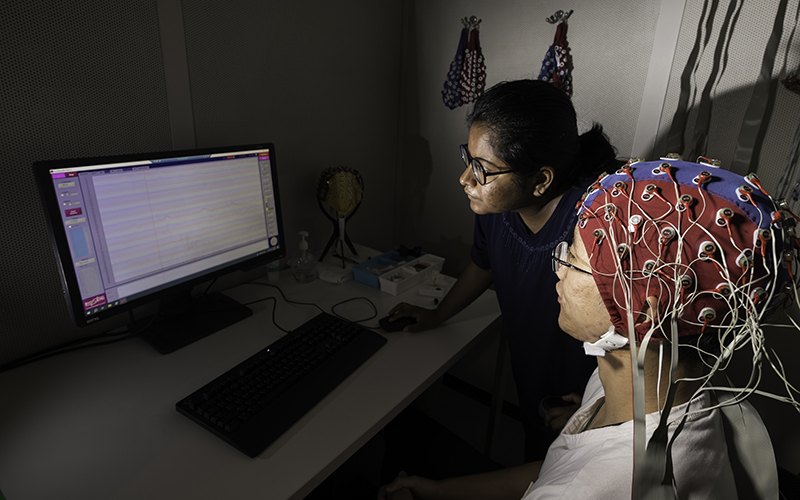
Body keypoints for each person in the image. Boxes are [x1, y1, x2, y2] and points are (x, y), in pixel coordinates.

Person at [379, 158, 794, 499]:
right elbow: (557, 471)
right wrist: (441, 491)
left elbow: (573, 481)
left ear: (643, 311)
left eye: (573, 258)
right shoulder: (651, 381)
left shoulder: (590, 491)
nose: (556, 270)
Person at [387, 79, 622, 460]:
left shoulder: (591, 222)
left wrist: (600, 408)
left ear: (541, 180)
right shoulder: (497, 208)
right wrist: (438, 314)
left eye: (482, 169)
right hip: (532, 367)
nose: (465, 180)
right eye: (468, 159)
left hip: (586, 391)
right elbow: (485, 264)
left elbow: (635, 323)